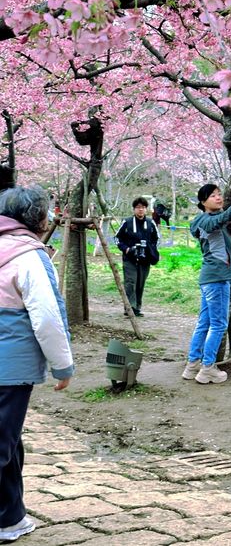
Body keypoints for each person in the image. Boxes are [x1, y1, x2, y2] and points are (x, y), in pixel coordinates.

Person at [0, 185, 74, 542]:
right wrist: (63, 366)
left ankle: (11, 518)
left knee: (8, 442)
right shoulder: (29, 256)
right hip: (8, 368)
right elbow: (47, 317)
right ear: (38, 219)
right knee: (1, 443)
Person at [182, 184, 231, 384]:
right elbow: (218, 221)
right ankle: (208, 368)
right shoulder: (205, 220)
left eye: (219, 194)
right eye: (213, 196)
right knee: (219, 324)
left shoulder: (207, 220)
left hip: (210, 278)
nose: (218, 198)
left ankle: (192, 364)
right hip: (217, 278)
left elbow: (220, 220)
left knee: (204, 324)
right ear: (203, 202)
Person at [115, 197, 160, 318]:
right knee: (130, 282)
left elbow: (157, 239)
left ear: (146, 209)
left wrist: (151, 250)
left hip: (145, 259)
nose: (141, 210)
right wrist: (127, 249)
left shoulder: (151, 223)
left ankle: (137, 307)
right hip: (130, 258)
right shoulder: (127, 222)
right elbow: (117, 238)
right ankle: (130, 308)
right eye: (138, 208)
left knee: (140, 283)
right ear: (134, 209)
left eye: (143, 208)